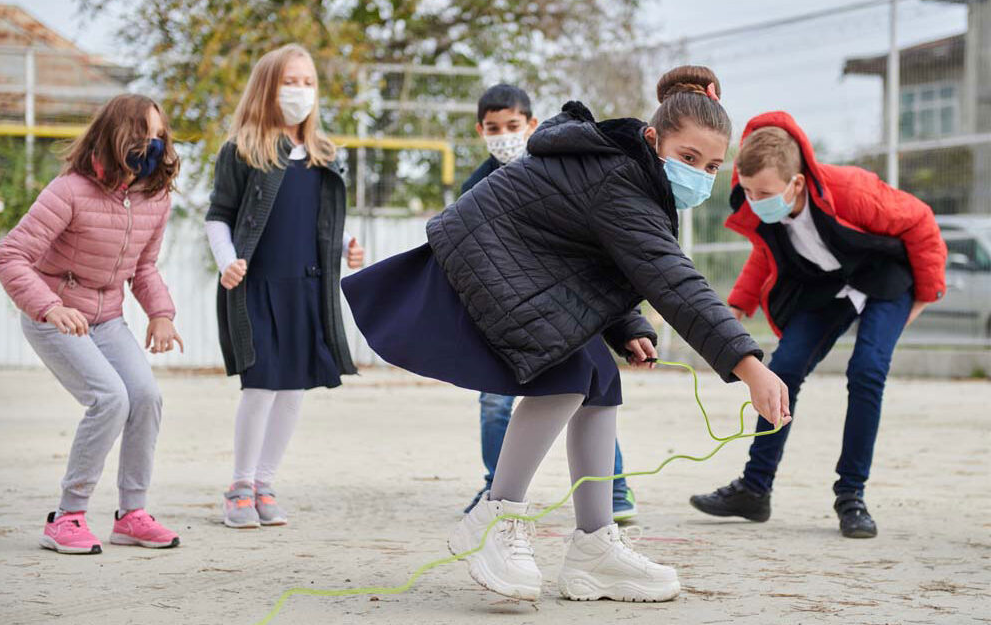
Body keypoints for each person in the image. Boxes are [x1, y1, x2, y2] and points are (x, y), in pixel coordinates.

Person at [342, 66, 790, 602]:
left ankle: (595, 548)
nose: (698, 172)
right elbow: (673, 279)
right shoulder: (619, 179)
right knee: (568, 372)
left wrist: (627, 325)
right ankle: (495, 518)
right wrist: (749, 365)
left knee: (600, 381)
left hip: (522, 267)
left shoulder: (629, 176)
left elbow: (599, 256)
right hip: (485, 261)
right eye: (688, 157)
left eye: (712, 166)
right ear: (654, 138)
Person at [689, 113, 946, 538]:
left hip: (884, 277)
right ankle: (754, 489)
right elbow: (766, 254)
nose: (754, 201)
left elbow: (920, 222)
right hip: (826, 286)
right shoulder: (763, 207)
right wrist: (737, 305)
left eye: (765, 193)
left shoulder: (851, 189)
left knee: (866, 371)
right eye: (748, 191)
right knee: (782, 368)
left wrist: (925, 293)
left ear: (797, 183)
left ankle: (851, 496)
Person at [0, 94, 184, 554]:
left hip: (107, 318)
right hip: (54, 318)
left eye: (160, 137)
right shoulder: (70, 190)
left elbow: (143, 267)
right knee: (110, 398)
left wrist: (161, 313)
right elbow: (9, 255)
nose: (153, 146)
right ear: (115, 137)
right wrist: (48, 307)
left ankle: (132, 514)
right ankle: (67, 516)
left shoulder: (154, 197)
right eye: (143, 137)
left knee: (146, 397)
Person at [460, 83, 639, 522]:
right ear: (481, 130)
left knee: (593, 392)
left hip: (573, 308)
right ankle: (496, 486)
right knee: (495, 401)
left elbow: (598, 250)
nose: (503, 134)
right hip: (506, 311)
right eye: (493, 127)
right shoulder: (475, 187)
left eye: (513, 125)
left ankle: (613, 489)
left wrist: (627, 322)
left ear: (532, 125)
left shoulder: (557, 171)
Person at [205, 44, 364, 529]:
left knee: (293, 388)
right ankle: (239, 484)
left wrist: (344, 252)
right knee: (261, 386)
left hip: (307, 288)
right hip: (257, 286)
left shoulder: (325, 156)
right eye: (289, 82)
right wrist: (227, 261)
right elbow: (218, 217)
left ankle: (265, 483)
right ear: (266, 88)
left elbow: (325, 224)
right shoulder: (242, 150)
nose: (300, 91)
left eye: (308, 82)